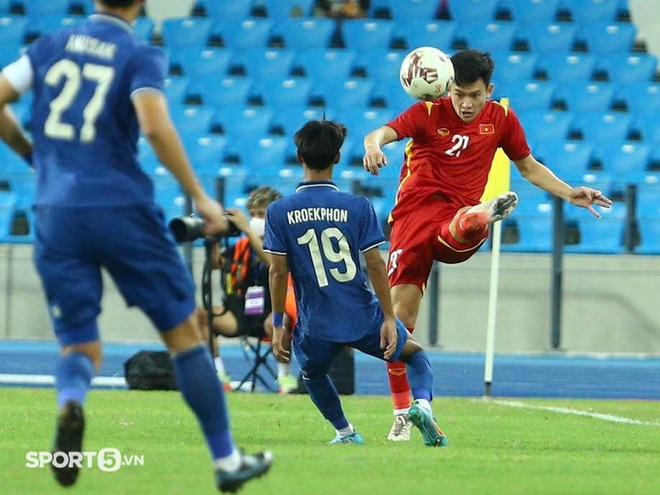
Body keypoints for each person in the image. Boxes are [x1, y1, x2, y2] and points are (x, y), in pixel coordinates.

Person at [0, 0, 272, 491]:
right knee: (184, 332)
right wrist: (199, 196)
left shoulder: (48, 46)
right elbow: (153, 125)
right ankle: (225, 461)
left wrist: (35, 156)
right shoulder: (138, 54)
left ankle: (72, 402)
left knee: (78, 342)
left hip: (55, 211)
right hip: (119, 206)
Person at [362, 49, 613, 441]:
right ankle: (402, 416)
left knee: (464, 226)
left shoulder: (502, 119)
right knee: (398, 322)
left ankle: (481, 215)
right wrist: (374, 145)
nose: (465, 103)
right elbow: (380, 133)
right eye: (459, 93)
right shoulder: (429, 112)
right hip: (412, 219)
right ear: (447, 88)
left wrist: (569, 193)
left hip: (454, 223)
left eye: (474, 95)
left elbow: (528, 166)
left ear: (489, 91)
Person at [264, 120, 448, 447]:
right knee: (416, 356)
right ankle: (420, 405)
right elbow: (375, 265)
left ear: (298, 157)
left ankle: (346, 433)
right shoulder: (358, 207)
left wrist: (279, 322)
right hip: (363, 316)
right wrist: (389, 318)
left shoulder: (279, 211)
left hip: (315, 322)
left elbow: (278, 273)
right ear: (337, 158)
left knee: (313, 375)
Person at [196, 185, 299, 394]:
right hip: (241, 312)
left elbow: (272, 263)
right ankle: (219, 374)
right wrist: (213, 239)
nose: (254, 219)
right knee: (201, 315)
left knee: (278, 321)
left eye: (261, 214)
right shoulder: (242, 246)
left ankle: (284, 377)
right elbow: (216, 264)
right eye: (251, 215)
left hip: (274, 313)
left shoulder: (284, 243)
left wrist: (247, 229)